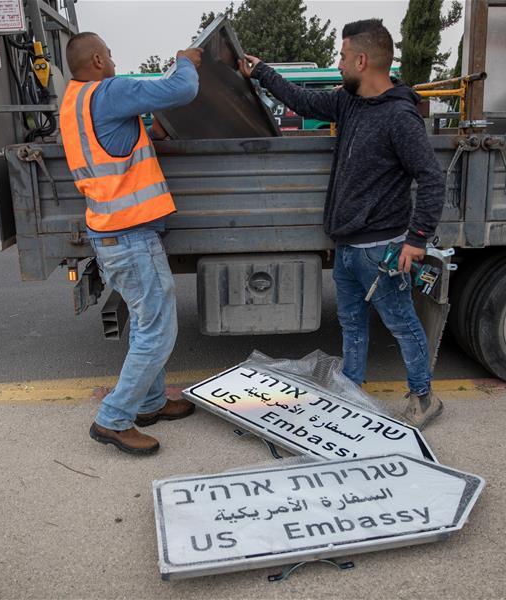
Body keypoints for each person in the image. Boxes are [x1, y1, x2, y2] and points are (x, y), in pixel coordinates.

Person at [239, 19, 445, 430]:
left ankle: (423, 397)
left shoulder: (400, 117)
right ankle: (351, 389)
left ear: (362, 60)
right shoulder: (348, 102)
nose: (338, 64)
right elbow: (301, 100)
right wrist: (261, 71)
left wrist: (417, 239)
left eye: (342, 56)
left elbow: (432, 177)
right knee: (351, 322)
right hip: (349, 245)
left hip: (382, 249)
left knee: (401, 322)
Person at [59, 33, 203, 454]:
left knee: (145, 323)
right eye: (111, 54)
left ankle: (151, 403)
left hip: (113, 232)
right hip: (130, 235)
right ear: (99, 59)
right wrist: (184, 60)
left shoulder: (74, 101)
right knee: (158, 329)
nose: (114, 60)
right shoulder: (110, 92)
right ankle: (114, 418)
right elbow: (184, 88)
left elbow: (119, 144)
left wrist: (150, 132)